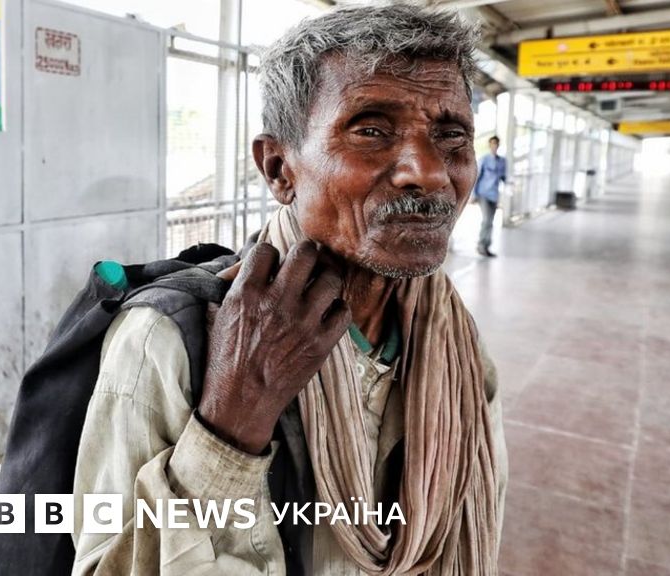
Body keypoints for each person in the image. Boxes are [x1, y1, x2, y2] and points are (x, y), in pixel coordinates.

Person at [70, 5, 507, 575]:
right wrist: (230, 426)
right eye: (371, 131)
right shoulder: (168, 340)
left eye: (450, 136)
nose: (427, 172)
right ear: (279, 168)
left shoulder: (456, 343)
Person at [472, 136, 506, 257]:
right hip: (483, 194)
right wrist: (473, 194)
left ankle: (486, 246)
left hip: (494, 195)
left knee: (491, 222)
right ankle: (481, 245)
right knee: (486, 220)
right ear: (489, 145)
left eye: (496, 144)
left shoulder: (502, 161)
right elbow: (476, 176)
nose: (494, 146)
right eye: (492, 144)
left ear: (498, 145)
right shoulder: (484, 159)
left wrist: (510, 183)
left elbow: (504, 177)